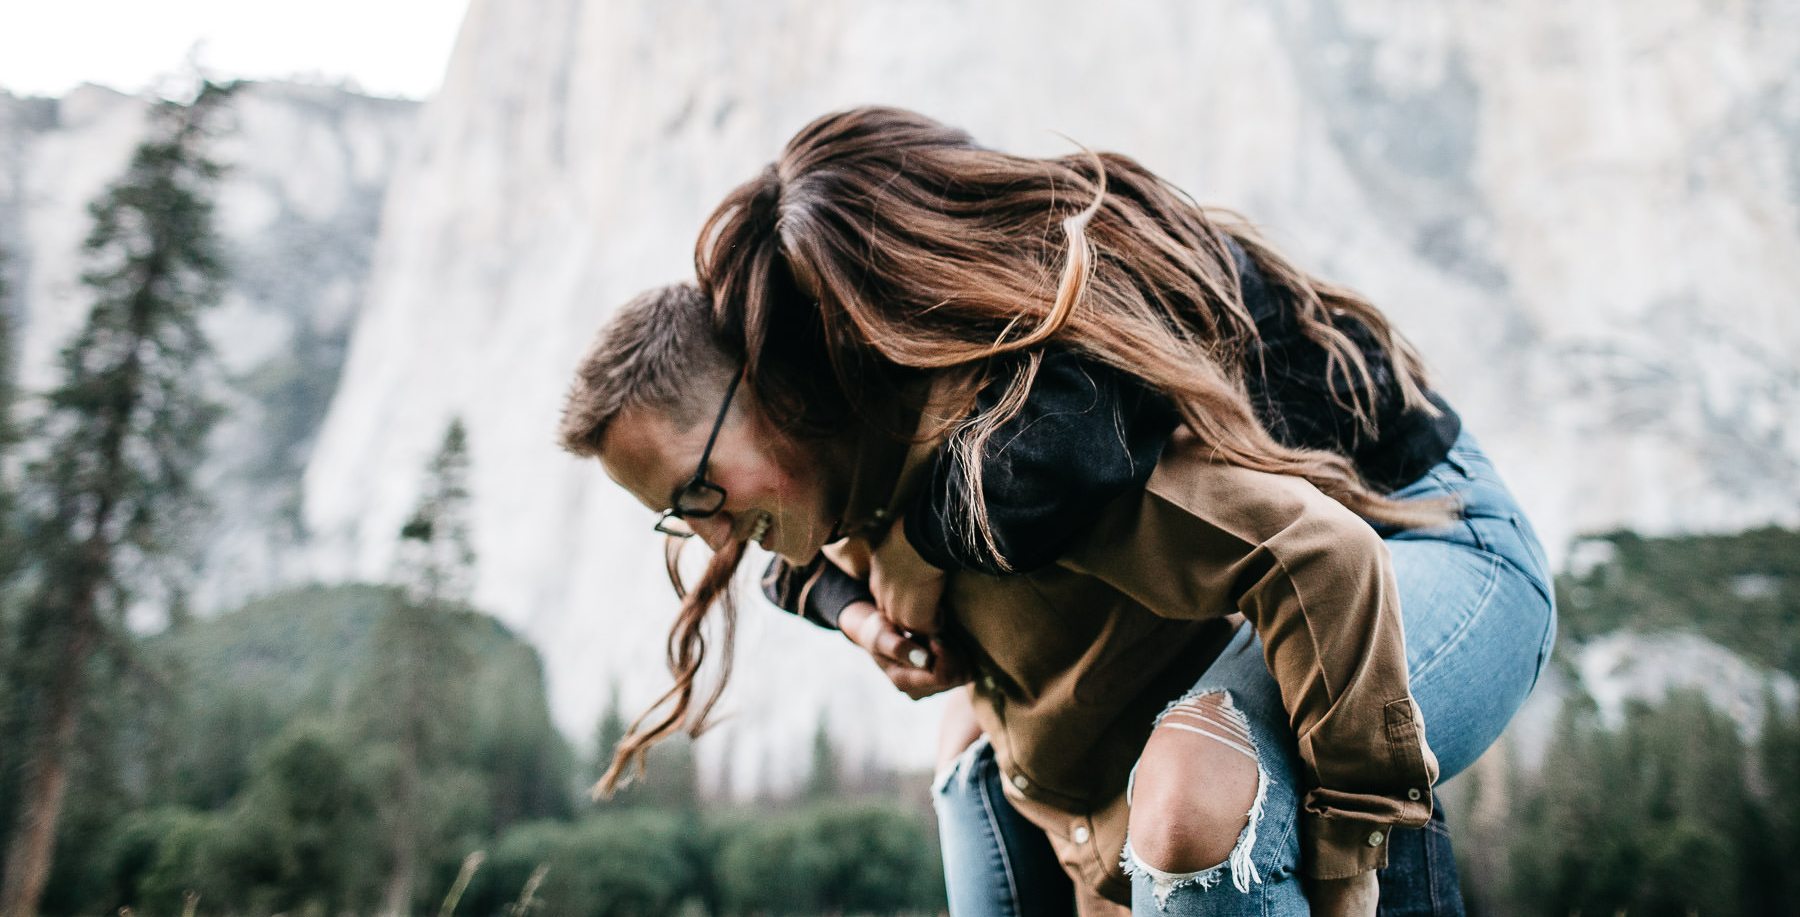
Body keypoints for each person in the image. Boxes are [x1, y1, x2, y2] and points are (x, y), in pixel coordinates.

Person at [560, 108, 1555, 916]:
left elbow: (1064, 462)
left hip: (1424, 531)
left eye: (698, 496)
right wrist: (859, 608)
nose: (708, 541)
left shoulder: (1070, 327)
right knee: (972, 762)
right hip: (1303, 576)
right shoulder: (853, 404)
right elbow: (791, 540)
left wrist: (918, 539)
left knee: (1200, 794)